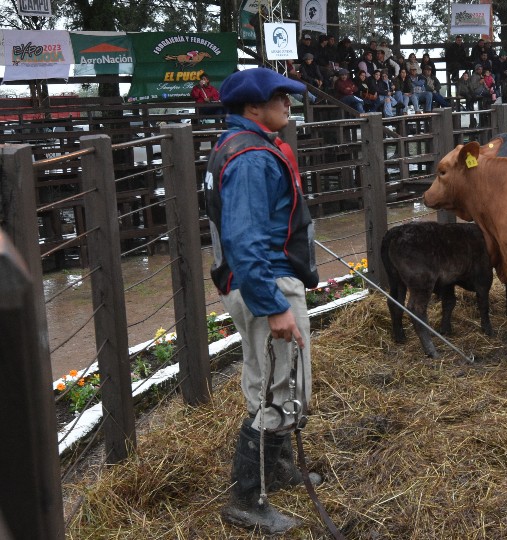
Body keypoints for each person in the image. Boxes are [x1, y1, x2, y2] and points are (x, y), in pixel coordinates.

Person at [208, 68, 320, 535]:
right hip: (267, 286)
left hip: (263, 281)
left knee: (276, 381)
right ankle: (247, 499)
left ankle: (274, 470)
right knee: (280, 389)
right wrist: (272, 304)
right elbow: (245, 238)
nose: (289, 107)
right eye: (281, 99)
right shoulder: (252, 157)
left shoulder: (240, 146)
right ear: (254, 108)